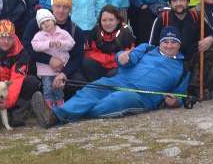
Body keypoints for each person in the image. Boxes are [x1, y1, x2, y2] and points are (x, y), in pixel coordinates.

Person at [36, 27, 190, 126]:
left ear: (179, 44)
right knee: (91, 89)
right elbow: (127, 59)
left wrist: (177, 101)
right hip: (118, 80)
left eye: (173, 42)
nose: (169, 45)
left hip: (141, 96)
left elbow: (181, 94)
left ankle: (67, 114)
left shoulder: (182, 68)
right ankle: (54, 115)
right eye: (166, 42)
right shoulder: (147, 48)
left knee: (116, 100)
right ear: (160, 42)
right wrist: (121, 57)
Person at [21, 0, 87, 100]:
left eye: (65, 7)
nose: (61, 10)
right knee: (32, 82)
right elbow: (26, 46)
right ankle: (42, 102)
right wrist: (49, 60)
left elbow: (77, 57)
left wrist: (64, 74)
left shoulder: (76, 31)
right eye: (58, 6)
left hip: (64, 69)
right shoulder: (37, 23)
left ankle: (64, 103)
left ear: (70, 10)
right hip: (40, 68)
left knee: (79, 82)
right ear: (52, 7)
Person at [32, 8, 76, 108]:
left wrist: (61, 44)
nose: (46, 24)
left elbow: (71, 43)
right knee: (47, 87)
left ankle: (60, 104)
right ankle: (49, 106)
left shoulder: (62, 33)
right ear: (40, 26)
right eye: (42, 23)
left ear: (53, 20)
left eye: (48, 20)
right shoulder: (39, 36)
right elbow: (35, 46)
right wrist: (48, 44)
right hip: (45, 69)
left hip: (59, 68)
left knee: (58, 88)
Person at [82, 5, 137, 82]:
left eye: (111, 20)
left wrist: (110, 59)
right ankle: (95, 85)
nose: (107, 23)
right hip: (99, 65)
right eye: (104, 20)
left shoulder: (125, 33)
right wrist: (107, 58)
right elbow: (88, 51)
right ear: (100, 21)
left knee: (115, 73)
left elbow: (129, 56)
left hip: (116, 67)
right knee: (86, 62)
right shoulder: (96, 31)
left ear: (118, 20)